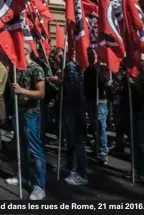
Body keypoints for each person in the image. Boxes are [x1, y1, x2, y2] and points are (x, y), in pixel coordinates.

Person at [5, 43, 47, 200]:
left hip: (31, 114)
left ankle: (39, 186)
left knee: (35, 149)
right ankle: (22, 175)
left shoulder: (36, 68)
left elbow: (41, 93)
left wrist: (22, 91)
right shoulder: (17, 68)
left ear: (26, 51)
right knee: (21, 146)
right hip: (18, 112)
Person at [57, 50, 88, 185]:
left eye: (57, 56)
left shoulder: (70, 67)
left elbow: (74, 89)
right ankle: (70, 167)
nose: (55, 58)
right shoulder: (67, 67)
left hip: (74, 109)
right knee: (70, 141)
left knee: (77, 141)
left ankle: (82, 174)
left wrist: (60, 81)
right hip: (70, 109)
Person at [84, 48, 112, 164]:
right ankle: (97, 147)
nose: (91, 56)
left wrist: (98, 71)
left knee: (101, 127)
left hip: (100, 101)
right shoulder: (87, 69)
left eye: (93, 53)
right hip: (90, 100)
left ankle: (103, 152)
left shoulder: (102, 68)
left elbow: (106, 84)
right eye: (89, 54)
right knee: (94, 126)